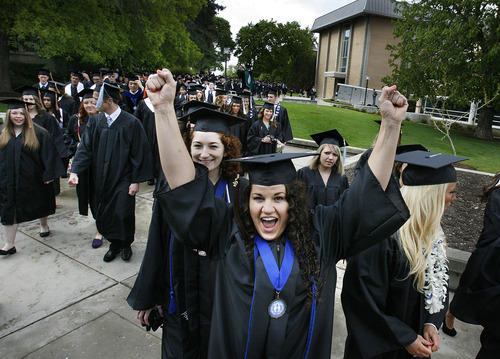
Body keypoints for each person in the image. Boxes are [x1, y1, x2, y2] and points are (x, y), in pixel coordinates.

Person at [143, 68, 409, 359]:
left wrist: (391, 125)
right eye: (258, 197)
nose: (267, 208)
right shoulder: (228, 231)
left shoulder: (322, 233)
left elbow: (365, 196)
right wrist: (163, 109)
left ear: (292, 201)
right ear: (247, 201)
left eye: (278, 198)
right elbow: (185, 187)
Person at [128, 105, 246, 359]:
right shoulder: (172, 188)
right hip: (179, 296)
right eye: (197, 145)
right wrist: (150, 296)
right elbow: (157, 241)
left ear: (227, 150)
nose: (204, 154)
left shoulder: (240, 191)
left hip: (222, 300)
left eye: (213, 146)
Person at [342, 149, 467, 359]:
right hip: (379, 348)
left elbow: (437, 284)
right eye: (451, 191)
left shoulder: (432, 235)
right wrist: (405, 337)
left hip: (416, 344)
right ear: (431, 195)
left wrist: (430, 322)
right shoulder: (382, 236)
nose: (454, 198)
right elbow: (360, 299)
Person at [68, 82, 153, 262]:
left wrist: (136, 180)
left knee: (122, 213)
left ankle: (126, 244)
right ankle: (114, 243)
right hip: (100, 177)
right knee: (103, 212)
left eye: (97, 98)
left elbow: (140, 152)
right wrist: (75, 170)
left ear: (109, 100)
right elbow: (85, 148)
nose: (93, 102)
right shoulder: (96, 121)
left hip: (123, 177)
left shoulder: (131, 123)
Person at [0, 99, 65, 255]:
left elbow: (49, 155)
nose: (18, 116)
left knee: (40, 203)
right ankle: (9, 244)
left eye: (22, 113)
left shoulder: (39, 132)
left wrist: (49, 174)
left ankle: (43, 225)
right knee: (9, 210)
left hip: (33, 179)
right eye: (14, 113)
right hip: (7, 180)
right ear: (8, 115)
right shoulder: (2, 133)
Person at [449, 171, 500, 358]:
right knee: (468, 289)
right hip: (489, 251)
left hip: (493, 252)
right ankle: (450, 316)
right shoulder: (498, 193)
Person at [63, 89, 104, 248]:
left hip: (99, 164)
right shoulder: (76, 120)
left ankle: (99, 230)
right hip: (82, 165)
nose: (89, 105)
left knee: (98, 195)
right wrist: (76, 145)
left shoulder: (103, 119)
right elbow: (67, 137)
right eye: (86, 102)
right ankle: (98, 223)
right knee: (87, 194)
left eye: (93, 102)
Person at [297, 130, 349, 208]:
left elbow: (345, 204)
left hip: (333, 219)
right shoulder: (304, 174)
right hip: (308, 219)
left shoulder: (341, 178)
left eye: (335, 155)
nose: (330, 158)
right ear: (319, 153)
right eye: (327, 153)